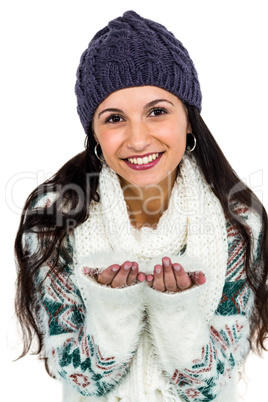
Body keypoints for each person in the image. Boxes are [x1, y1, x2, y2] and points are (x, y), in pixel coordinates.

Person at [15, 10, 268, 402]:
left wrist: (176, 313)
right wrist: (113, 310)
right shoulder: (53, 216)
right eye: (114, 118)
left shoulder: (239, 221)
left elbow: (211, 384)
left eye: (157, 111)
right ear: (94, 132)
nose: (137, 139)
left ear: (188, 119)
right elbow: (78, 376)